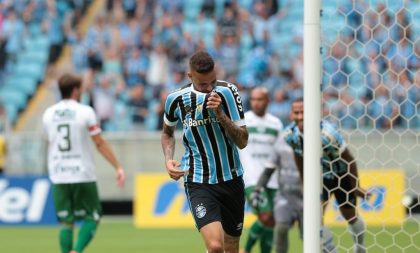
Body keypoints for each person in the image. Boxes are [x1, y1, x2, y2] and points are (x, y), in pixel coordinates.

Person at [161, 51, 248, 253]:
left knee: (231, 247)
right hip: (198, 180)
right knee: (216, 247)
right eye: (203, 85)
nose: (209, 89)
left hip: (231, 178)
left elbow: (242, 141)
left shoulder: (229, 92)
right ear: (190, 76)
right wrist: (168, 160)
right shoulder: (175, 99)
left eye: (213, 82)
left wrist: (220, 114)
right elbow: (167, 133)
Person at [42, 74, 125, 253]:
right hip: (82, 172)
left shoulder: (48, 114)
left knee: (66, 221)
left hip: (58, 173)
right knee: (93, 216)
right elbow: (99, 143)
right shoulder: (85, 111)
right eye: (80, 89)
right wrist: (117, 166)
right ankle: (77, 251)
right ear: (75, 91)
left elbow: (50, 141)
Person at [283, 97, 370, 253]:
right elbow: (298, 155)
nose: (300, 116)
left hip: (341, 175)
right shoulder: (290, 134)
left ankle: (360, 246)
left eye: (304, 112)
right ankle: (330, 250)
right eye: (296, 112)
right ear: (291, 114)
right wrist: (304, 182)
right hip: (319, 178)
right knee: (314, 218)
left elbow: (349, 159)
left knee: (349, 215)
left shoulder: (328, 133)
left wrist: (356, 186)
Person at [238, 87, 283, 253]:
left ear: (267, 101)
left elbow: (280, 152)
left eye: (260, 99)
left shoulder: (276, 123)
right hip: (251, 179)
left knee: (272, 221)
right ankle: (247, 249)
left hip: (273, 179)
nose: (256, 102)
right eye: (253, 99)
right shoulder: (243, 120)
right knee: (266, 216)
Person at [252, 136, 303, 253]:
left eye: (303, 115)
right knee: (281, 227)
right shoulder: (283, 140)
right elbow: (268, 170)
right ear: (291, 116)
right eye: (297, 115)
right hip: (285, 195)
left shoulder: (315, 138)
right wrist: (257, 189)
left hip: (307, 198)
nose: (300, 117)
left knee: (311, 235)